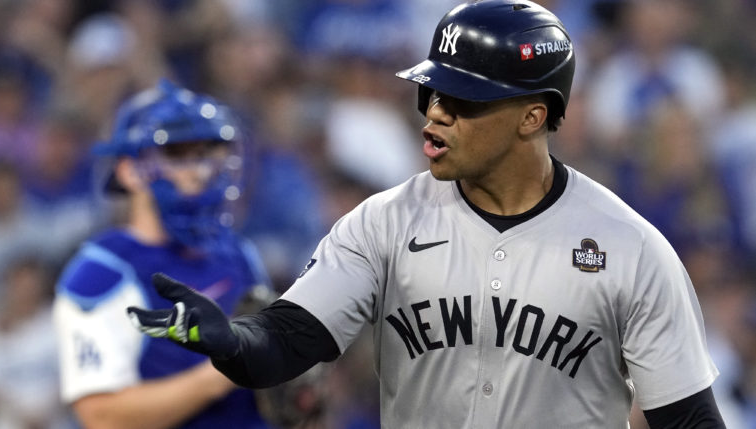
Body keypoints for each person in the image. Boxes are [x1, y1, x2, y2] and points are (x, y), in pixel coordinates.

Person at [127, 2, 726, 428]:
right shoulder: (382, 223)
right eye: (429, 93)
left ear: (532, 117)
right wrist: (232, 341)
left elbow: (688, 419)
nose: (435, 113)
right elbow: (285, 341)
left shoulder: (630, 247)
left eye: (461, 99)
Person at [52, 79, 272, 429]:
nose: (199, 171)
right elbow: (102, 416)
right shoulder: (101, 272)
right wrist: (223, 372)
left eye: (205, 154)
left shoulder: (239, 254)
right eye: (177, 155)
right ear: (129, 170)